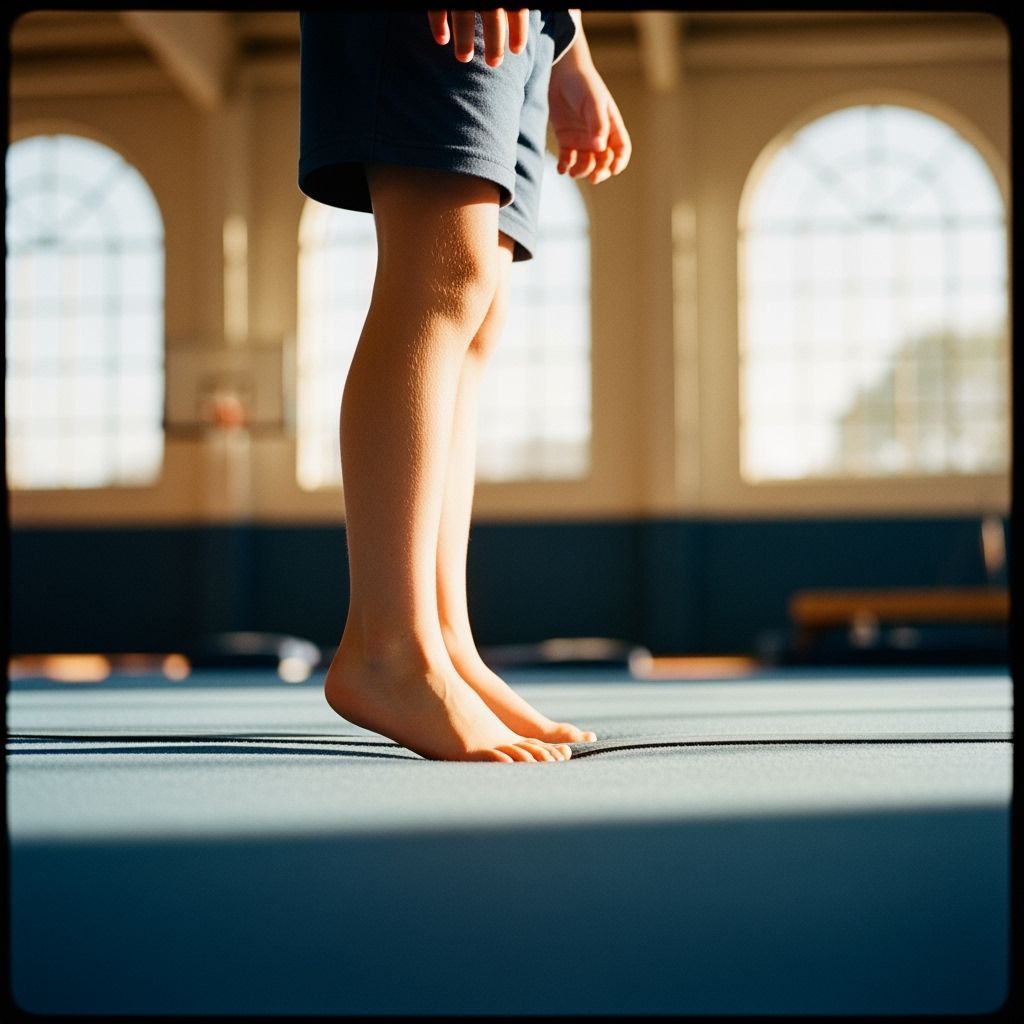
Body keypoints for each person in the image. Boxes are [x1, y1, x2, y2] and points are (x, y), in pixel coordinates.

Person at [298, 9, 631, 762]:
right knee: (443, 274)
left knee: (479, 309)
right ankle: (389, 648)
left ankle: (445, 642)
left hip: (538, 26)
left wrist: (570, 47)